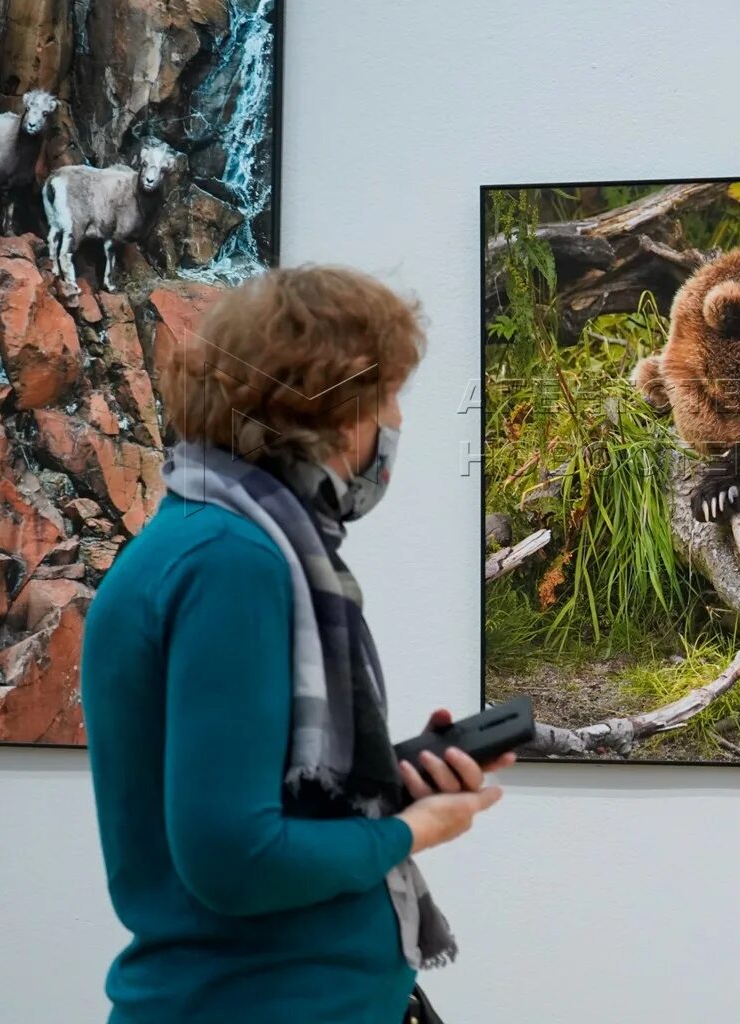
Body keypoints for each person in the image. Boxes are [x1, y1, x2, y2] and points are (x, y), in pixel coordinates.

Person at [83, 266, 507, 1023]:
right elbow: (234, 860)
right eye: (387, 400)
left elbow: (256, 792)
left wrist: (398, 777)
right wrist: (413, 829)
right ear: (338, 413)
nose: (394, 427)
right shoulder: (231, 562)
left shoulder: (206, 540)